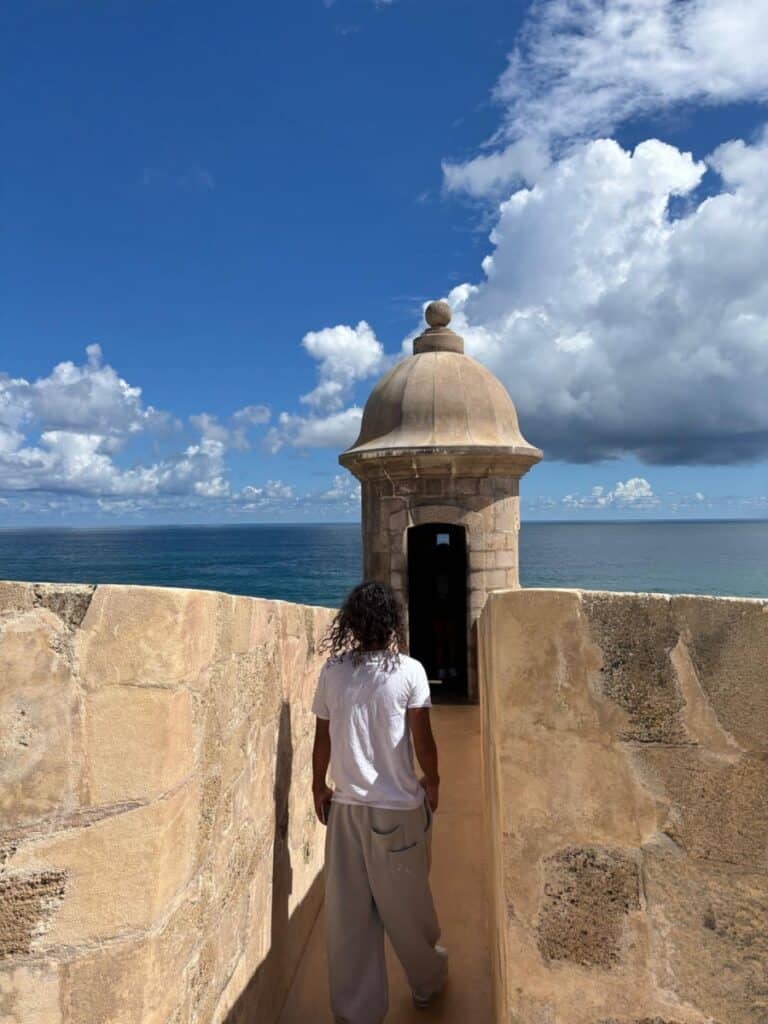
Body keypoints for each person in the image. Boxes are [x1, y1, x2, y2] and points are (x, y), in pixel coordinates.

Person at [311, 580, 448, 1024]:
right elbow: (422, 740)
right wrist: (434, 781)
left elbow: (321, 740)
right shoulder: (408, 671)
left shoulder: (333, 671)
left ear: (351, 622)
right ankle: (427, 983)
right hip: (398, 811)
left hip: (346, 811)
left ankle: (356, 1014)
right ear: (392, 622)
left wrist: (319, 786)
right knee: (407, 909)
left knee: (349, 918)